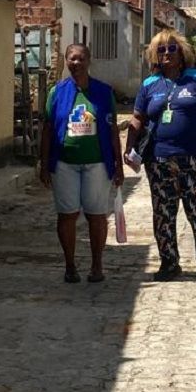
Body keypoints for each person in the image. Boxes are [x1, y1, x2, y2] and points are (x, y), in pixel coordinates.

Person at [126, 29, 196, 283]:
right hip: (159, 160)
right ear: (154, 55)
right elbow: (138, 118)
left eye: (172, 48)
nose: (167, 53)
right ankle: (169, 263)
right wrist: (129, 148)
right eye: (161, 49)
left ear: (182, 52)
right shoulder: (150, 84)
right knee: (163, 212)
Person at [39, 44, 124, 283]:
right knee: (67, 214)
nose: (76, 63)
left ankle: (97, 265)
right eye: (72, 59)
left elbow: (112, 130)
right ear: (66, 61)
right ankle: (70, 266)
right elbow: (47, 129)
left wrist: (118, 164)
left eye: (81, 58)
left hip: (97, 164)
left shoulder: (104, 92)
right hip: (64, 164)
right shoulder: (57, 92)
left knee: (96, 215)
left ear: (89, 60)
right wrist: (44, 164)